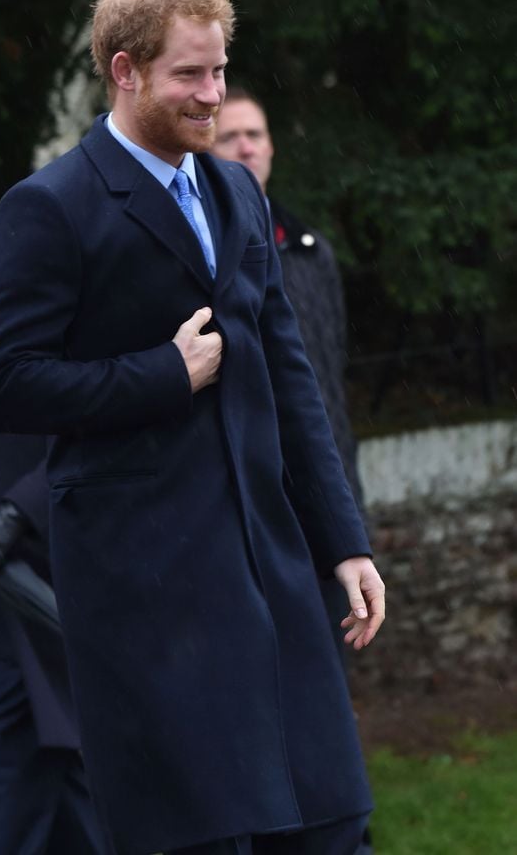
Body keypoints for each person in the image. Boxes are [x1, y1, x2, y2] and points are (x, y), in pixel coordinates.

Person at [0, 0, 385, 855]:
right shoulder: (48, 207)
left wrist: (342, 540)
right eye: (190, 75)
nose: (213, 96)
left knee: (334, 827)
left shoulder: (237, 192)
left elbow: (288, 374)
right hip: (145, 592)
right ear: (125, 71)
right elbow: (2, 385)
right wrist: (162, 374)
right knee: (203, 841)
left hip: (269, 574)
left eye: (222, 70)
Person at [212, 91, 374, 855]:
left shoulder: (308, 249)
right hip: (250, 515)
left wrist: (348, 520)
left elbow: (325, 388)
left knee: (324, 712)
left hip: (325, 506)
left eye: (257, 133)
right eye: (231, 135)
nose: (247, 146)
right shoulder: (211, 251)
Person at [0, 199, 103, 854]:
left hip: (35, 587)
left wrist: (14, 514)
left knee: (10, 793)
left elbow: (80, 431)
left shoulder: (14, 324)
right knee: (65, 792)